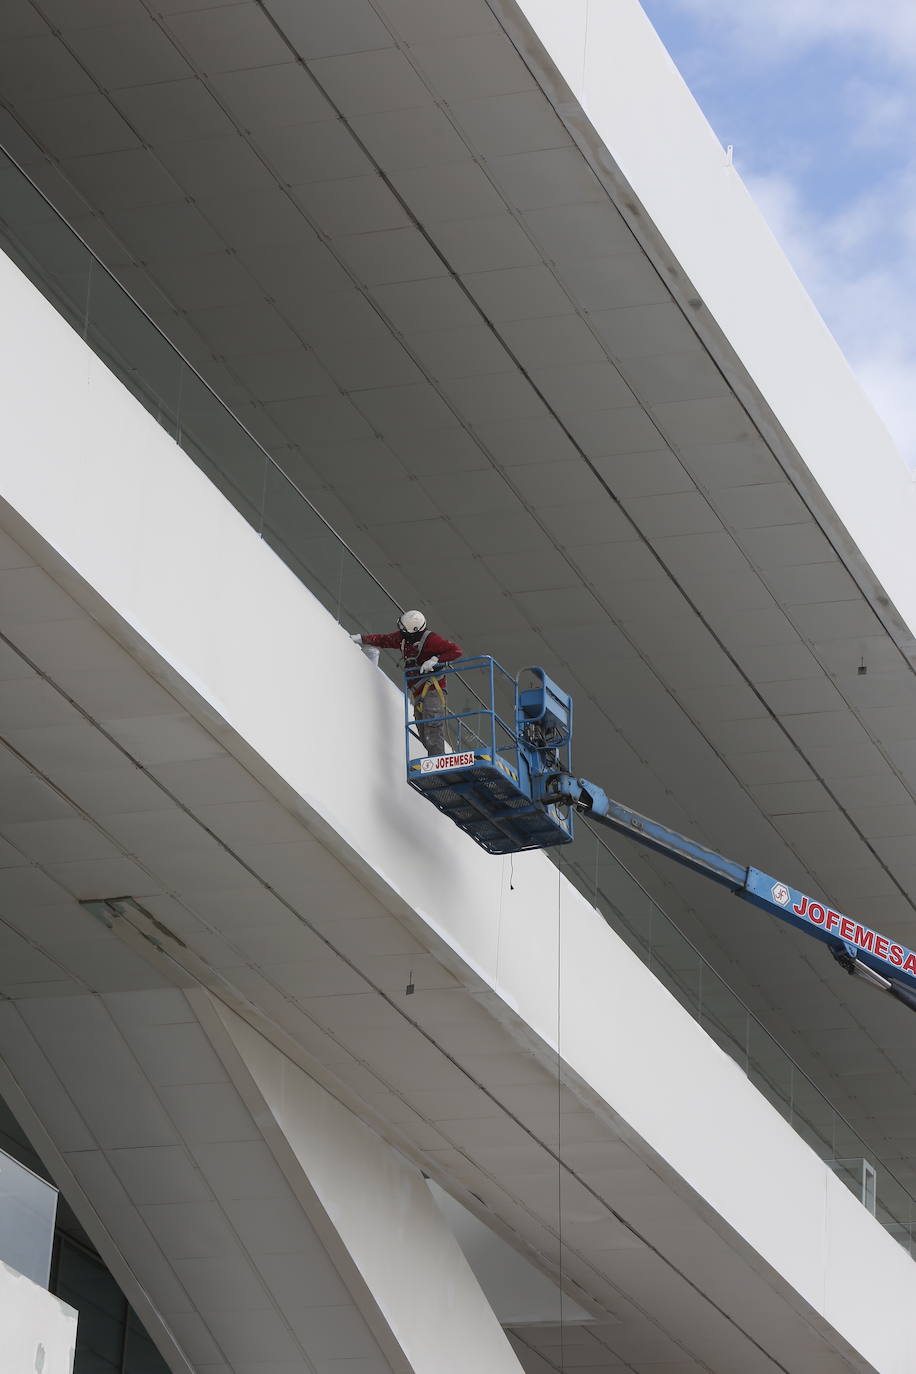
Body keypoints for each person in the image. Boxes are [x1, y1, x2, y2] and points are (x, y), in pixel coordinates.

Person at [351, 611, 462, 756]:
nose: (400, 632)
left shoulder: (431, 640)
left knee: (432, 724)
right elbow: (384, 640)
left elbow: (456, 650)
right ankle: (434, 758)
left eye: (404, 629)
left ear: (414, 631)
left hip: (433, 689)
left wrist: (435, 660)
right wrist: (362, 638)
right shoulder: (405, 639)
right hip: (418, 693)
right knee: (423, 730)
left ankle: (437, 760)